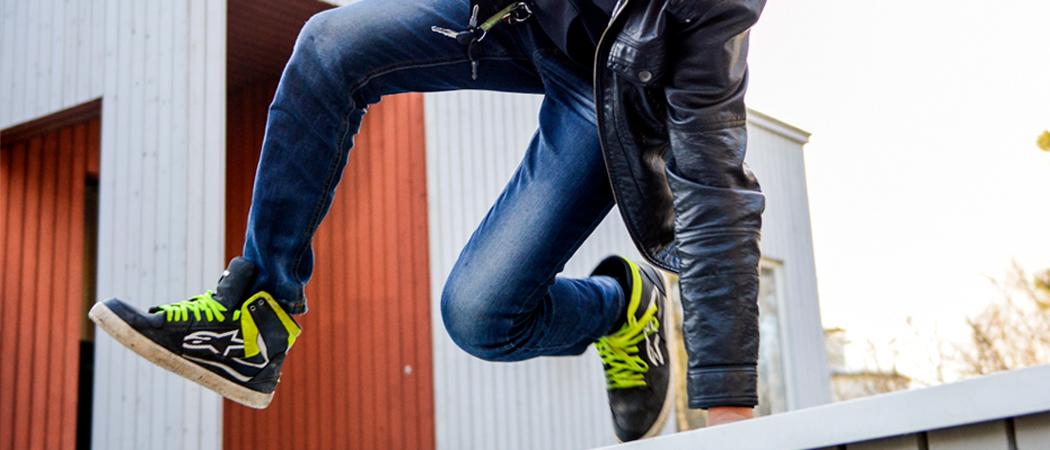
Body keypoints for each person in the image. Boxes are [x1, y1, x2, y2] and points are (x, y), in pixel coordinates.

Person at [89, 0, 766, 441]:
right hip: (519, 18)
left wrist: (729, 409)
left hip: (604, 87)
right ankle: (253, 318)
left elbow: (716, 197)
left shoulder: (707, 15)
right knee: (329, 46)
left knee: (480, 315)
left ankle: (621, 306)